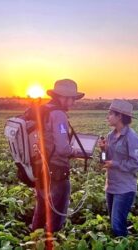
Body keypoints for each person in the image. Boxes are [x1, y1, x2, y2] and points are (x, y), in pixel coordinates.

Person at [31, 79, 84, 233]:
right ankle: (51, 241)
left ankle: (34, 242)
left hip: (40, 167)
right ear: (63, 97)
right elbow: (62, 149)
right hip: (56, 171)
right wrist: (74, 151)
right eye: (72, 98)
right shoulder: (58, 114)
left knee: (41, 210)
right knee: (57, 215)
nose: (73, 102)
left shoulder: (43, 109)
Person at [98, 99, 138, 237]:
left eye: (110, 114)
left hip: (125, 188)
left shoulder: (132, 137)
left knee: (118, 227)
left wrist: (116, 164)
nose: (107, 117)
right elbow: (104, 161)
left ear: (119, 116)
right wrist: (102, 150)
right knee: (114, 224)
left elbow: (136, 163)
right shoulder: (110, 136)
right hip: (111, 187)